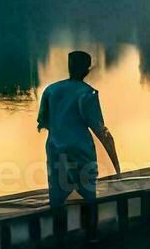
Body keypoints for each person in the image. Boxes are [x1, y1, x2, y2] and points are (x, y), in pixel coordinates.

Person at [37, 50, 120, 207]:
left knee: (57, 198)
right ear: (87, 71)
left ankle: (59, 228)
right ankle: (91, 228)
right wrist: (116, 166)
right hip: (81, 153)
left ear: (69, 67)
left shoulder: (51, 90)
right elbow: (101, 131)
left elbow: (43, 123)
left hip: (55, 150)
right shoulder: (87, 93)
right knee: (88, 196)